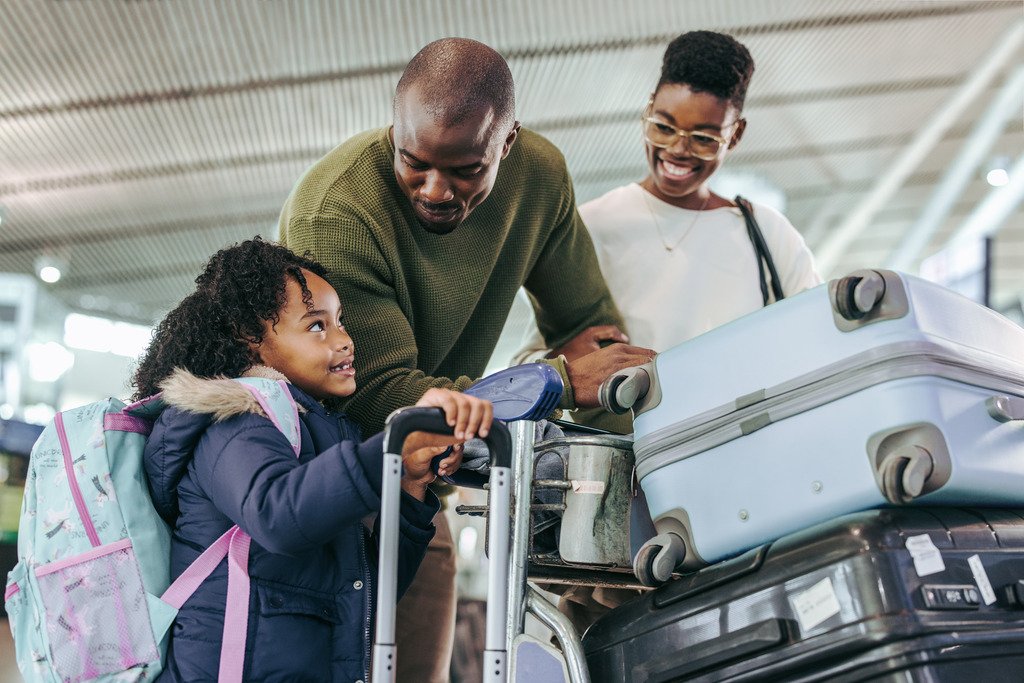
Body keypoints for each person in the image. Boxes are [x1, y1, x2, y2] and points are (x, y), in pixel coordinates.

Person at [279, 37, 654, 680]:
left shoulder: (538, 176)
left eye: (465, 170)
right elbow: (386, 404)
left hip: (422, 484)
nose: (435, 189)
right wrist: (552, 380)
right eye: (414, 162)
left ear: (507, 145)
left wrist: (628, 500)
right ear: (392, 130)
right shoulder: (338, 212)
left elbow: (594, 336)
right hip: (331, 473)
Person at [515, 29, 822, 632]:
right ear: (645, 112)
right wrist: (560, 354)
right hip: (614, 521)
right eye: (664, 125)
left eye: (705, 135)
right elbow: (537, 368)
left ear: (736, 133)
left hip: (741, 506)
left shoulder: (769, 241)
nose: (679, 149)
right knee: (618, 653)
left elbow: (816, 356)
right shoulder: (591, 227)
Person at [132, 238, 493, 682]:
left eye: (340, 322)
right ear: (252, 341)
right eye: (317, 326)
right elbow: (278, 513)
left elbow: (365, 593)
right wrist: (392, 447)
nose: (344, 341)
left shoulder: (313, 435)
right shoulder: (230, 422)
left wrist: (410, 488)